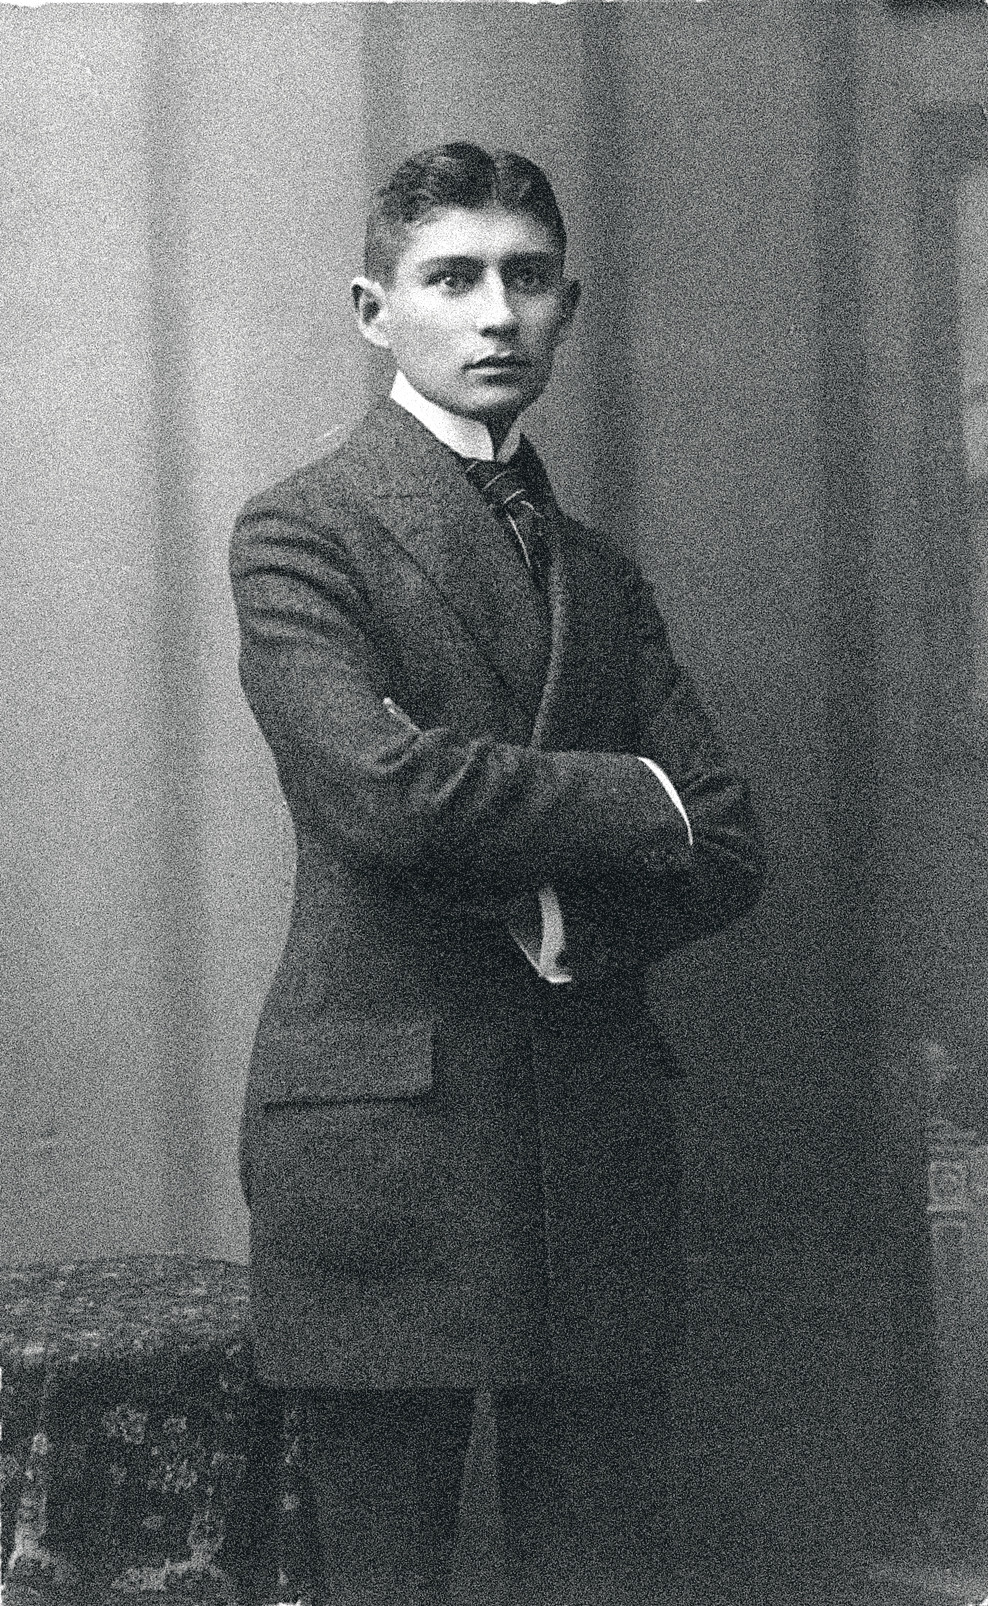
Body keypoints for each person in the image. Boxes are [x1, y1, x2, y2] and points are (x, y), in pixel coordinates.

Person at [230, 142, 766, 1606]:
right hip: (385, 1142)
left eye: (528, 278)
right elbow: (388, 797)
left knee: (599, 1572)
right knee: (382, 1579)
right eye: (451, 277)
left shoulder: (601, 572)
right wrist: (636, 796)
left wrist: (562, 914)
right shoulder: (301, 532)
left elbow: (728, 844)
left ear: (568, 306)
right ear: (373, 309)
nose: (495, 314)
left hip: (589, 1133)